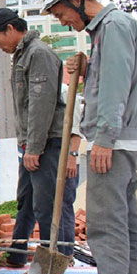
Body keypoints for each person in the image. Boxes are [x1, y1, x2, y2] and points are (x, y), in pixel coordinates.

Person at [41, 0, 137, 274]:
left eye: (61, 14)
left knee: (105, 220)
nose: (63, 21)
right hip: (127, 139)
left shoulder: (112, 27)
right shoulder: (113, 28)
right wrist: (86, 68)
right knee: (126, 218)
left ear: (78, 0)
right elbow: (117, 76)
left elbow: (116, 88)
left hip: (113, 140)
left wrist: (103, 139)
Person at [0, 7, 65, 271]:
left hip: (45, 143)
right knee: (26, 200)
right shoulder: (23, 55)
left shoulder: (38, 53)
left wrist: (35, 148)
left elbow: (41, 106)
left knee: (46, 206)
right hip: (32, 143)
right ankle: (17, 255)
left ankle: (51, 266)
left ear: (11, 29)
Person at [59, 84, 83, 258]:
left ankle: (66, 254)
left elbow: (76, 131)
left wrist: (72, 158)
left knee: (64, 206)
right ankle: (57, 250)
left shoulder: (66, 92)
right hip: (54, 160)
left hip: (68, 160)